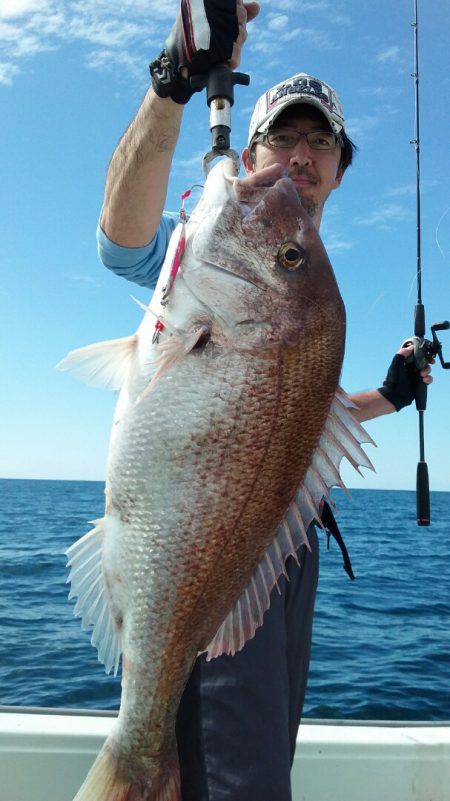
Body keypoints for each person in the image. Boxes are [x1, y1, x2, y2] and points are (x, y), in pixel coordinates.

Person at [96, 2, 432, 798]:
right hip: (211, 546)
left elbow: (278, 423)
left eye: (320, 141)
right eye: (284, 136)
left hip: (275, 549)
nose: (301, 155)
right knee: (235, 781)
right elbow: (121, 241)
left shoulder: (302, 289)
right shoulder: (207, 261)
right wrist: (175, 80)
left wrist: (386, 398)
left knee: (260, 768)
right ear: (252, 151)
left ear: (341, 168)